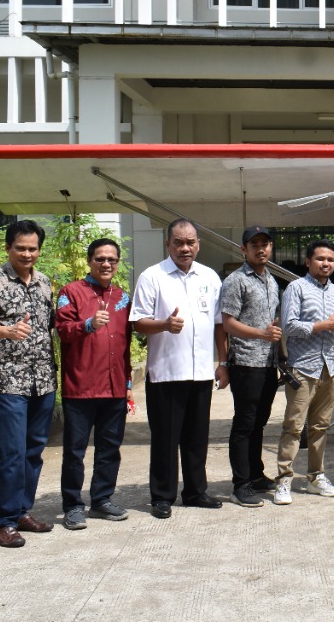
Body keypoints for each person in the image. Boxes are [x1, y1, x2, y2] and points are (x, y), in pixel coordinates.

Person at [0, 219, 57, 549]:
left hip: (43, 380)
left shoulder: (46, 283)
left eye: (33, 248)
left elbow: (50, 326)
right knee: (11, 450)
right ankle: (3, 522)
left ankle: (22, 511)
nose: (27, 253)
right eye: (20, 247)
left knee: (34, 449)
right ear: (8, 248)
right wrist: (6, 331)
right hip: (8, 379)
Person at [129, 219, 224, 519]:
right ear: (167, 244)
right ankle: (162, 495)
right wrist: (165, 325)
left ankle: (196, 492)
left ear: (198, 244)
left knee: (197, 437)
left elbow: (220, 323)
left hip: (201, 373)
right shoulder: (152, 276)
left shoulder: (209, 277)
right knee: (165, 439)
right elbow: (138, 322)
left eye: (190, 242)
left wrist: (224, 362)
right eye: (178, 242)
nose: (185, 248)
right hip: (166, 372)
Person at [54, 237, 133, 530]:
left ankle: (101, 500)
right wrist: (87, 325)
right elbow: (62, 330)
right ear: (90, 261)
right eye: (100, 258)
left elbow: (125, 343)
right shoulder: (71, 292)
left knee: (109, 447)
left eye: (112, 259)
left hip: (114, 388)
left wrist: (126, 382)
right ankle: (73, 505)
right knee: (75, 450)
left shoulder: (122, 297)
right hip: (81, 387)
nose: (106, 264)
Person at [275, 238, 334, 504]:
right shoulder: (296, 288)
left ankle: (316, 477)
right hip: (303, 368)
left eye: (330, 259)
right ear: (308, 262)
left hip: (331, 367)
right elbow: (290, 326)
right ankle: (284, 480)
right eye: (320, 259)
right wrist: (321, 326)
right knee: (294, 426)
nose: (326, 263)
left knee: (320, 426)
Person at [220, 225, 283, 508]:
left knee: (259, 422)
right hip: (246, 363)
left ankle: (256, 474)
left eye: (265, 243)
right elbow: (228, 323)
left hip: (268, 363)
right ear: (243, 249)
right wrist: (261, 334)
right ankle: (240, 484)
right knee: (244, 425)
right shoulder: (236, 281)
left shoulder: (271, 280)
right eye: (254, 243)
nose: (261, 248)